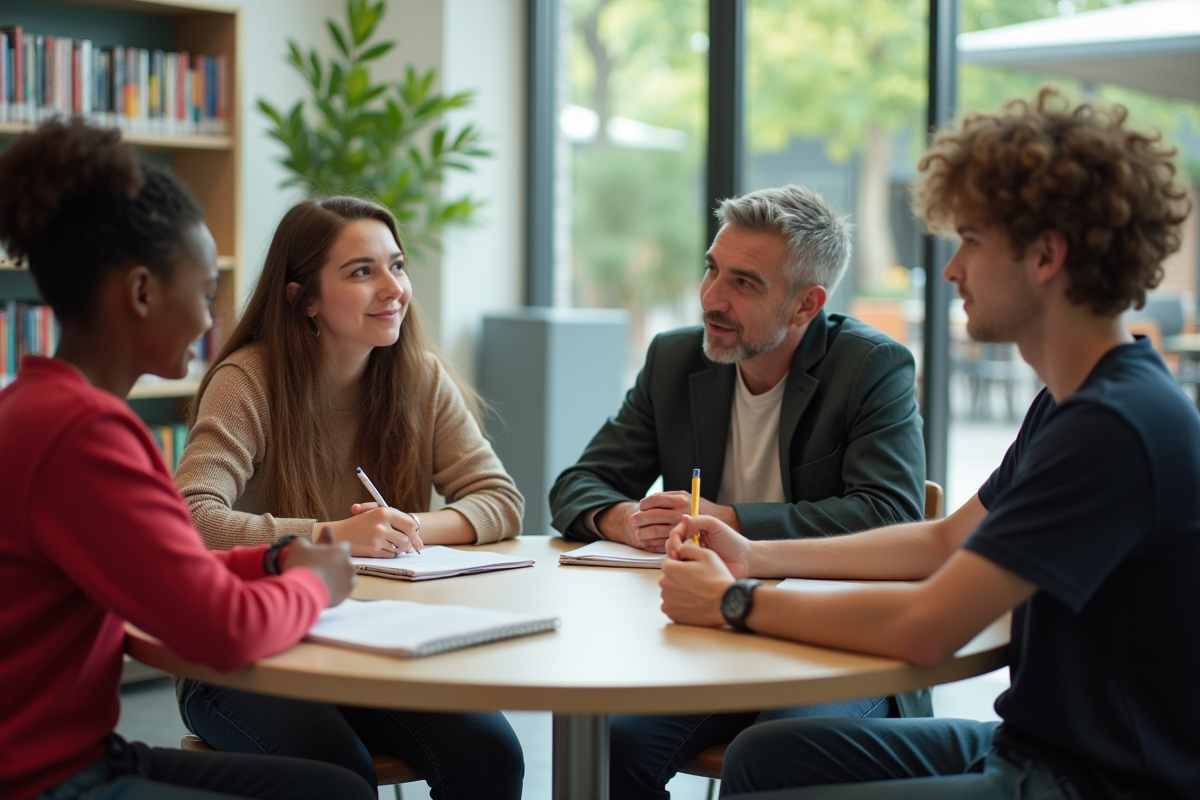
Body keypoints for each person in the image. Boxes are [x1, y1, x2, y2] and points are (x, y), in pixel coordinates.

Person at [658, 88, 1198, 800]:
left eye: (971, 242)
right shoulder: (1073, 406)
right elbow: (946, 542)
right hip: (1028, 744)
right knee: (767, 758)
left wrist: (737, 601)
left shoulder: (1115, 427)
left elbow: (926, 628)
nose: (952, 270)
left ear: (1046, 254)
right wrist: (755, 554)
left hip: (1093, 782)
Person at [0, 119, 373, 800]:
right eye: (204, 294)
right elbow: (222, 631)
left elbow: (169, 570)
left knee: (333, 786)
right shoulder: (82, 435)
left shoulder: (39, 407)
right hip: (42, 778)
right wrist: (315, 585)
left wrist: (272, 557)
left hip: (78, 751)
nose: (211, 321)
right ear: (142, 292)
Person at [550, 185, 930, 798]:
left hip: (838, 640)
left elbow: (890, 514)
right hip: (712, 630)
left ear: (808, 303)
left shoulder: (871, 366)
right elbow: (575, 485)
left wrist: (732, 519)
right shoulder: (676, 359)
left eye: (744, 284)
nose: (710, 299)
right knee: (614, 741)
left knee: (775, 754)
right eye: (711, 269)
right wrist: (622, 519)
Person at [172, 196, 525, 798]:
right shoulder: (249, 380)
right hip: (241, 650)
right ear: (303, 297)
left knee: (491, 756)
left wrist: (401, 526)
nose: (393, 288)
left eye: (397, 265)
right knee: (337, 777)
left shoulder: (417, 377)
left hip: (367, 642)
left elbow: (498, 498)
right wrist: (329, 536)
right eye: (362, 272)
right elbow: (190, 518)